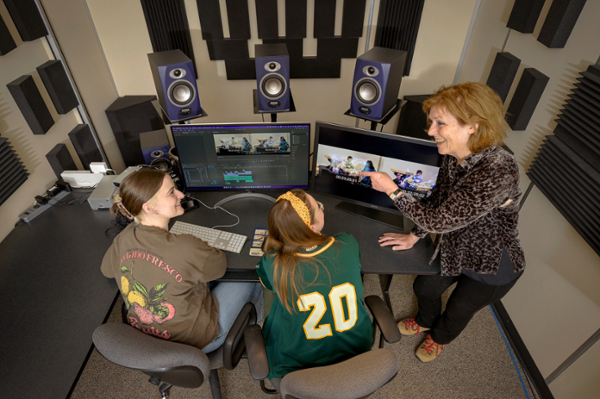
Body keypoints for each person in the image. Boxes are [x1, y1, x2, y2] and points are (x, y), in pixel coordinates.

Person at [359, 82, 525, 362]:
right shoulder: (453, 157)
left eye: (440, 123)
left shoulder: (498, 169)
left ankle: (438, 338)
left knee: (459, 309)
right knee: (424, 288)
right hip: (456, 247)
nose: (430, 131)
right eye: (431, 122)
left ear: (473, 125)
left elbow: (440, 220)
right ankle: (424, 320)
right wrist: (414, 235)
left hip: (495, 261)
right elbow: (438, 202)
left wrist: (392, 189)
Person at [101, 168, 263, 353]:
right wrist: (198, 245)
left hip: (146, 336)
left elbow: (107, 269)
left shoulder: (124, 236)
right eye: (171, 192)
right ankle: (254, 325)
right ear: (149, 207)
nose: (181, 194)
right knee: (253, 277)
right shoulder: (186, 246)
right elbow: (219, 268)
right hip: (197, 341)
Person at [256, 190, 373, 385]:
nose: (322, 208)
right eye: (320, 206)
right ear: (311, 227)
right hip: (356, 351)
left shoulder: (273, 261)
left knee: (275, 297)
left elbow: (268, 285)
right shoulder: (347, 243)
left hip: (297, 363)